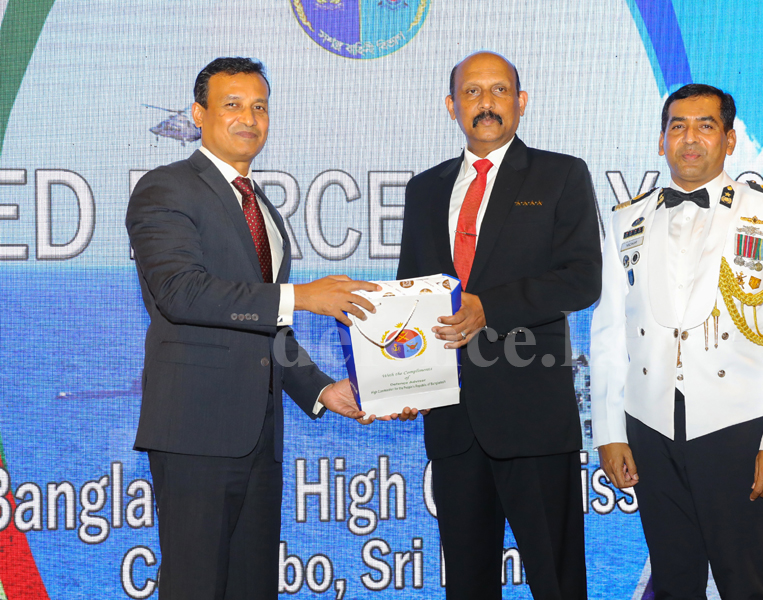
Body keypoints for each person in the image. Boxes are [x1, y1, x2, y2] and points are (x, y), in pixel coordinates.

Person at [126, 57, 396, 600]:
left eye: (260, 107)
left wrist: (323, 390)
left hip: (260, 439)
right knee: (196, 587)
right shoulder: (165, 188)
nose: (249, 118)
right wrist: (304, 297)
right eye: (232, 105)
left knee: (253, 588)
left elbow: (264, 328)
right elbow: (182, 292)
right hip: (195, 434)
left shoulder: (262, 206)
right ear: (199, 114)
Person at [591, 84, 763, 599]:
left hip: (736, 428)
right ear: (661, 140)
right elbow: (607, 334)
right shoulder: (626, 219)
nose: (689, 139)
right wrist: (609, 430)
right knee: (673, 583)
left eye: (705, 126)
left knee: (745, 583)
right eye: (678, 127)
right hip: (649, 428)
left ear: (730, 139)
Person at [396, 51, 602, 600]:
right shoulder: (424, 190)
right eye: (472, 92)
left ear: (521, 102)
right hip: (451, 422)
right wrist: (402, 377)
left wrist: (492, 307)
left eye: (499, 91)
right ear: (451, 106)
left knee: (557, 583)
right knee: (466, 584)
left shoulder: (561, 175)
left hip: (533, 418)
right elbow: (408, 297)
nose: (486, 103)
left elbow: (583, 280)